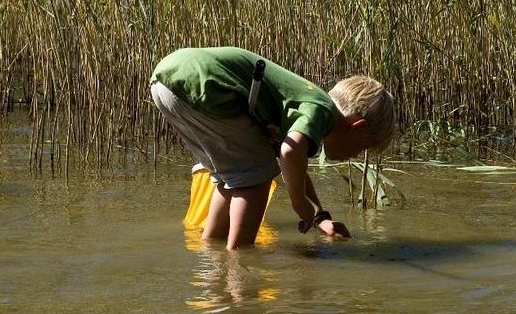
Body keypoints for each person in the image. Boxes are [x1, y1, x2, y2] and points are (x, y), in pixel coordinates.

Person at [150, 46, 395, 250]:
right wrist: (299, 203)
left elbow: (293, 162)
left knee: (231, 179)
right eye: (362, 148)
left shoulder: (307, 103)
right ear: (358, 127)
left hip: (169, 79)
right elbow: (290, 153)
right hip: (206, 83)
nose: (354, 156)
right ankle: (238, 268)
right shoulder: (323, 111)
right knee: (256, 180)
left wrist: (319, 215)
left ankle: (212, 253)